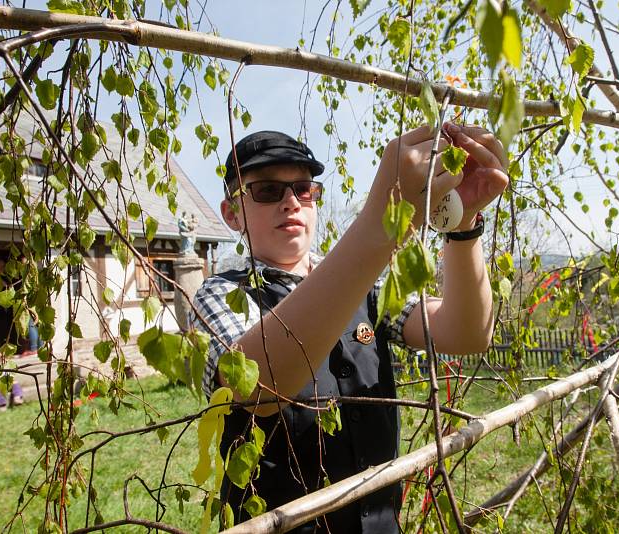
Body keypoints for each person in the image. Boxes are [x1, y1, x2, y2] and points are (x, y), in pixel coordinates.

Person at [191, 123, 508, 532]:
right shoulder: (217, 296)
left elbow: (466, 333)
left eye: (303, 190)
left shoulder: (367, 282)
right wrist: (379, 224)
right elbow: (256, 388)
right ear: (233, 214)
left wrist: (462, 224)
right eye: (268, 190)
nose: (291, 202)